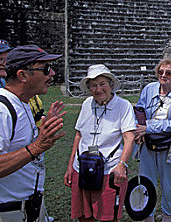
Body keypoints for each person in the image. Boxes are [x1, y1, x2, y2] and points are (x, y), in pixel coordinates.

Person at [0, 44, 66, 222]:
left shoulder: (23, 105)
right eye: (46, 69)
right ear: (22, 75)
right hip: (4, 213)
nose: (52, 74)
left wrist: (41, 134)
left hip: (28, 208)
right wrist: (36, 147)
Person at [64, 64, 136, 222]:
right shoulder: (86, 104)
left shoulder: (123, 106)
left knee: (108, 217)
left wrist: (122, 165)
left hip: (109, 170)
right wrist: (70, 166)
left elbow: (129, 137)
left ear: (110, 84)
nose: (98, 90)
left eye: (102, 84)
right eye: (93, 86)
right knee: (84, 215)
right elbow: (78, 135)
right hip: (82, 167)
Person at [134, 58, 171, 222]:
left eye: (168, 73)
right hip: (147, 144)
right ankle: (147, 216)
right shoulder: (149, 89)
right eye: (160, 72)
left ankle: (167, 216)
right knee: (145, 182)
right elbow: (140, 109)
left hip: (169, 146)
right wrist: (139, 129)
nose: (163, 75)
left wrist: (149, 127)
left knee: (168, 186)